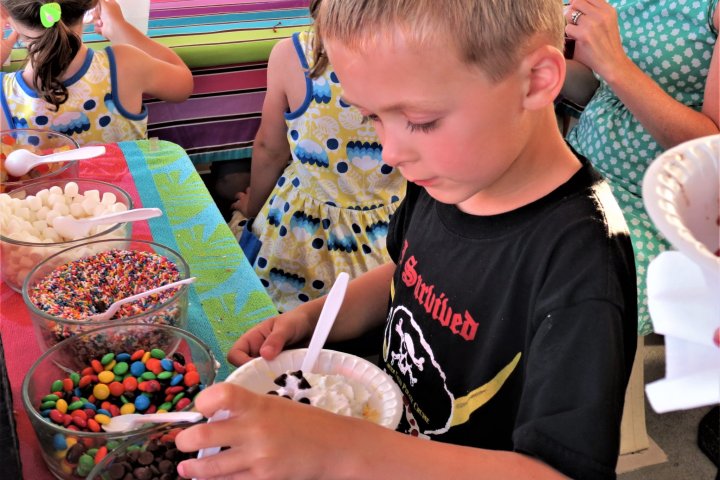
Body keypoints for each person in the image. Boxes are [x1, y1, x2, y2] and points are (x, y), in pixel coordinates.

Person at [175, 1, 638, 478]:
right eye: (373, 117)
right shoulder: (447, 178)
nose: (391, 154)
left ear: (536, 80)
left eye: (419, 120)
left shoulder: (581, 261)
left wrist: (345, 450)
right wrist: (311, 320)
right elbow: (404, 275)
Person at [230, 0, 405, 313]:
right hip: (390, 242)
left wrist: (253, 209)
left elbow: (270, 149)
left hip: (297, 241)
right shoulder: (421, 55)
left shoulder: (291, 54)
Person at [562, 0, 719, 336]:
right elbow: (591, 88)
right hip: (579, 163)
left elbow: (712, 153)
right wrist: (539, 58)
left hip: (656, 210)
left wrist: (615, 64)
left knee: (571, 308)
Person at [0, 0, 193, 143]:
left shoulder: (4, 94)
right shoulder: (126, 64)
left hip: (44, 199)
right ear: (92, 4)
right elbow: (183, 85)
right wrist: (120, 28)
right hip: (128, 197)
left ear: (4, 12)